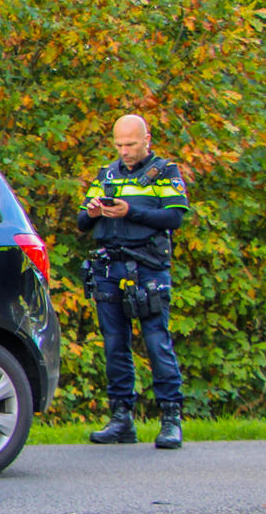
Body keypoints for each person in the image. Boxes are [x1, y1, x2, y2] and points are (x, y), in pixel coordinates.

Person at [79, 115, 190, 449]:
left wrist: (130, 212)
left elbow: (174, 216)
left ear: (147, 140)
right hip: (109, 267)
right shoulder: (106, 174)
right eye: (119, 144)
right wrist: (95, 211)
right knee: (114, 344)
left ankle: (170, 419)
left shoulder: (165, 172)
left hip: (149, 267)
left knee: (157, 342)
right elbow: (82, 221)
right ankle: (121, 417)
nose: (124, 151)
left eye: (130, 144)